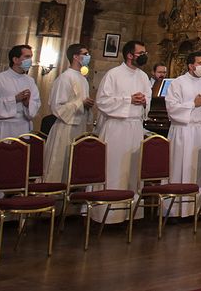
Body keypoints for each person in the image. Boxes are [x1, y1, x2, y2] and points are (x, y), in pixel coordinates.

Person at [94, 40, 151, 224]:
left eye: (145, 53)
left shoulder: (143, 76)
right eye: (141, 53)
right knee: (114, 169)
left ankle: (130, 214)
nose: (144, 56)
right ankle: (108, 215)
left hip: (135, 127)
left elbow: (148, 100)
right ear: (129, 55)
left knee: (133, 171)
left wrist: (144, 102)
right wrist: (128, 100)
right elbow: (102, 101)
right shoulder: (113, 74)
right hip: (117, 127)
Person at [0, 45, 41, 188]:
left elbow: (36, 104)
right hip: (2, 128)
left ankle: (14, 195)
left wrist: (27, 103)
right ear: (15, 59)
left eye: (30, 57)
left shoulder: (30, 81)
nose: (30, 60)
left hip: (22, 128)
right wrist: (14, 99)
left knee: (16, 167)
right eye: (27, 57)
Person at [166, 52, 201, 217]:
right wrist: (193, 103)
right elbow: (171, 107)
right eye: (199, 62)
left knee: (197, 170)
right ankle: (174, 211)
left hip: (200, 132)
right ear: (191, 65)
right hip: (183, 131)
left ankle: (194, 210)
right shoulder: (178, 83)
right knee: (179, 168)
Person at [45, 44, 94, 184]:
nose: (88, 56)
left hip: (79, 127)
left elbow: (82, 102)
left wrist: (87, 105)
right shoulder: (65, 78)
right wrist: (80, 103)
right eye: (85, 53)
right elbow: (57, 107)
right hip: (65, 127)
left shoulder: (83, 79)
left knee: (74, 167)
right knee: (59, 166)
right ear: (75, 56)